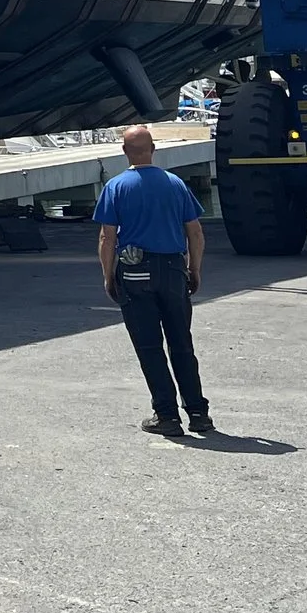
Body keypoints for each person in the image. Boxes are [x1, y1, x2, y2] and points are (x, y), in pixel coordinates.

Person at [92, 125, 213, 436]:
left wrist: (108, 275)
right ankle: (198, 413)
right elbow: (195, 232)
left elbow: (108, 237)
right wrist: (194, 268)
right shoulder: (175, 184)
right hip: (173, 269)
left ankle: (167, 416)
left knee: (149, 346)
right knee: (181, 344)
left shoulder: (116, 187)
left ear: (124, 152)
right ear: (153, 149)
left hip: (134, 272)